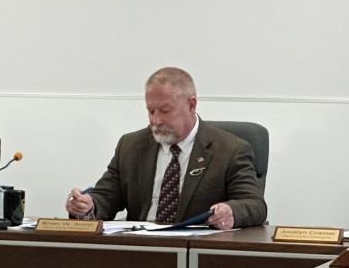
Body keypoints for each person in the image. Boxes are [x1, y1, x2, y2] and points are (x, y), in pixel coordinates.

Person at [66, 67, 267, 229]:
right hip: (140, 248)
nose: (156, 120)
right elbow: (106, 197)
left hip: (195, 251)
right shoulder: (131, 146)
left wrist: (231, 211)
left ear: (191, 105)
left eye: (165, 111)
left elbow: (255, 204)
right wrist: (87, 206)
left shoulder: (230, 149)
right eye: (151, 111)